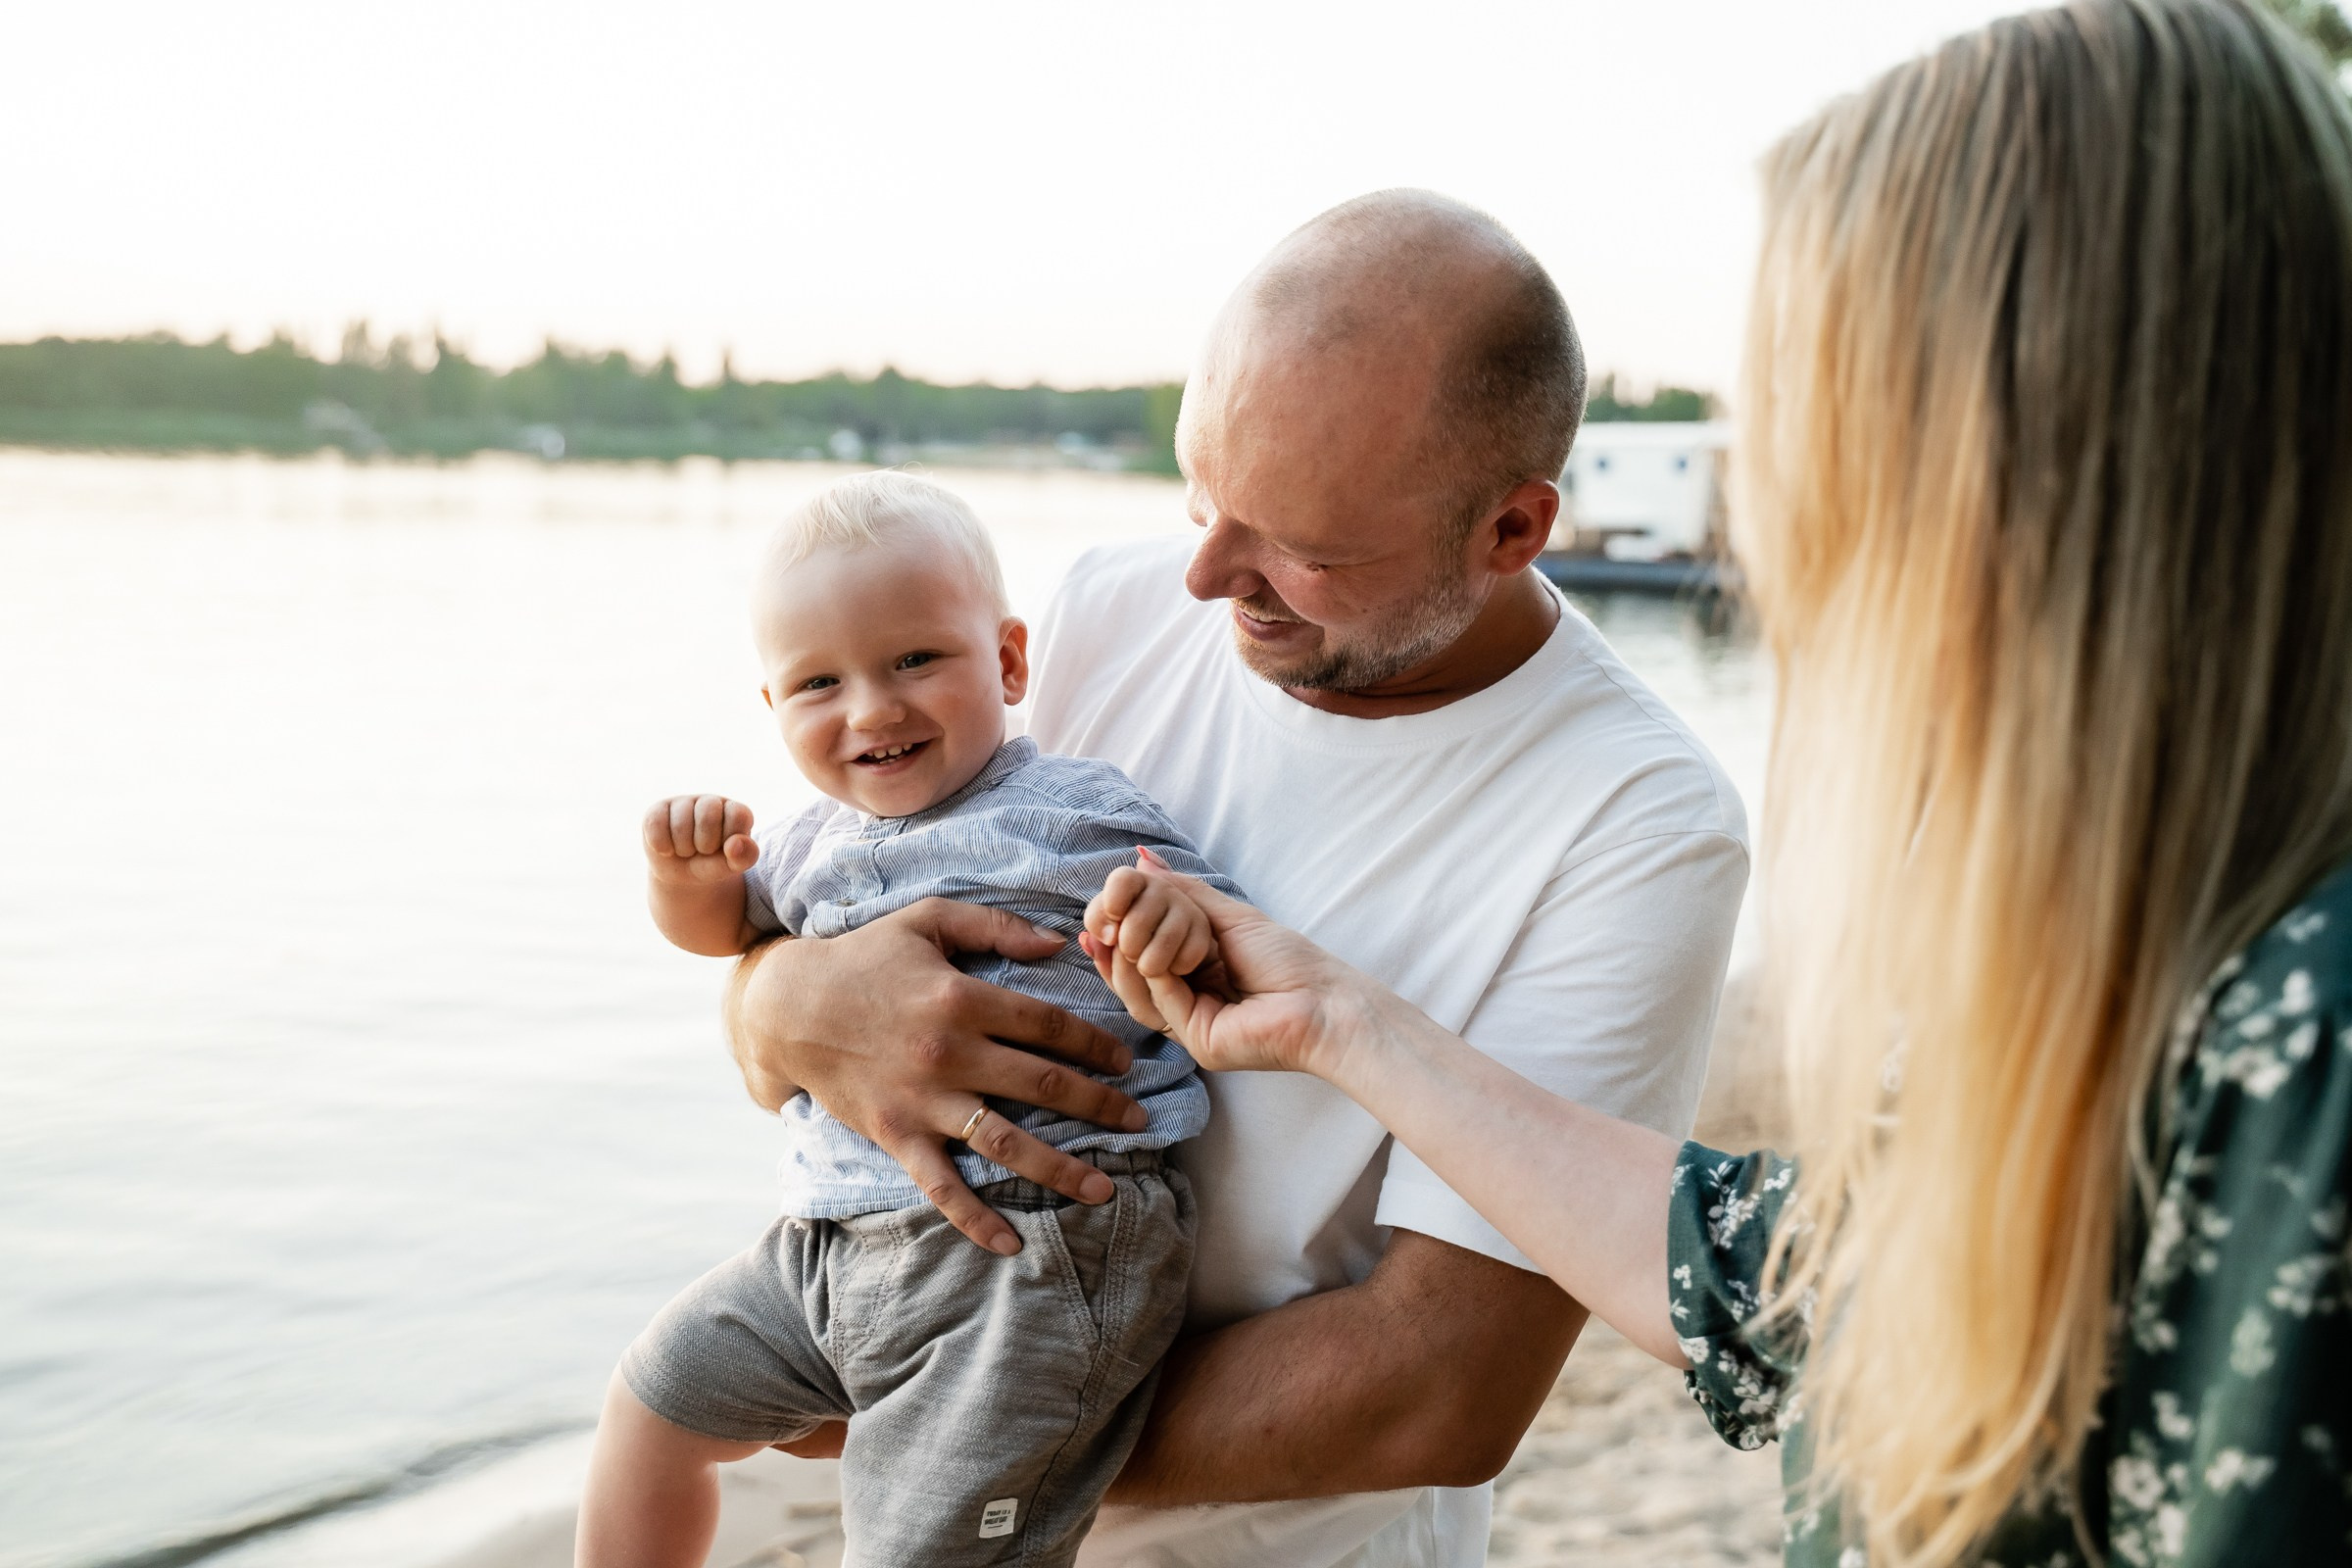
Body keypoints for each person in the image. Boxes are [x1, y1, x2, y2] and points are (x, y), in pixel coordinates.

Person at [1070, 2, 2352, 1564]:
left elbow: (1446, 1383)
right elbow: (1786, 1280)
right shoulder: (2130, 940)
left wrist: (937, 1430)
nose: (1780, 529)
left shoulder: (2312, 1029)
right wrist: (1342, 1026)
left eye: (1835, 436)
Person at [722, 193, 1750, 1564]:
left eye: (1302, 550)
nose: (1208, 577)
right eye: (1202, 495)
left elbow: (1430, 1392)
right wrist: (777, 1003)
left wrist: (937, 1418)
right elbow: (834, 917)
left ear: (1510, 530)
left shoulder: (1639, 818)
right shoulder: (1103, 606)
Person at [575, 471, 1242, 1568]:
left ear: (1010, 661)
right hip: (830, 1245)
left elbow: (1216, 930)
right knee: (654, 1398)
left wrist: (1169, 916)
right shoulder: (800, 841)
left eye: (915, 660)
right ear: (774, 710)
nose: (872, 708)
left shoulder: (1075, 808)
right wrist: (680, 875)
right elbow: (722, 937)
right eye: (819, 683)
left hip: (1030, 1244)